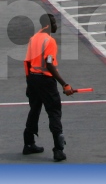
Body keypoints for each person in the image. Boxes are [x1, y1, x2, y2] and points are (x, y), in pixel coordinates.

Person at [23, 13, 77, 161]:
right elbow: (49, 64)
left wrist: (29, 81)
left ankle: (28, 143)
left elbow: (27, 61)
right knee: (54, 112)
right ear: (47, 25)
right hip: (46, 81)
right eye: (53, 23)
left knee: (34, 110)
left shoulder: (33, 39)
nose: (56, 25)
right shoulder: (49, 41)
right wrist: (64, 84)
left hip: (33, 78)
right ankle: (58, 149)